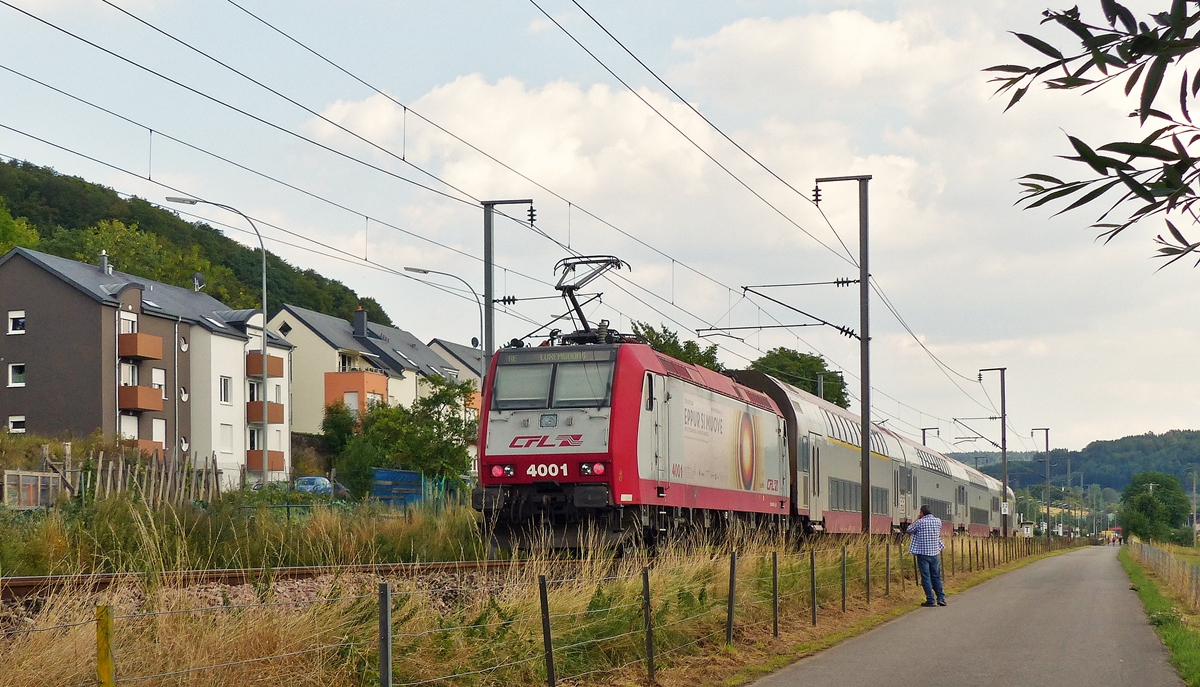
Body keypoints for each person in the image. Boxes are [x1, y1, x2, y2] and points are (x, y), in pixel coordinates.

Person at [907, 504, 946, 607]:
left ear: (922, 513)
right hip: (935, 553)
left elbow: (909, 530)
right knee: (936, 576)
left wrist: (917, 519)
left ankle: (930, 599)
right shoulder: (938, 521)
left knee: (926, 577)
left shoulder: (920, 522)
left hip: (923, 554)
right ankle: (941, 598)